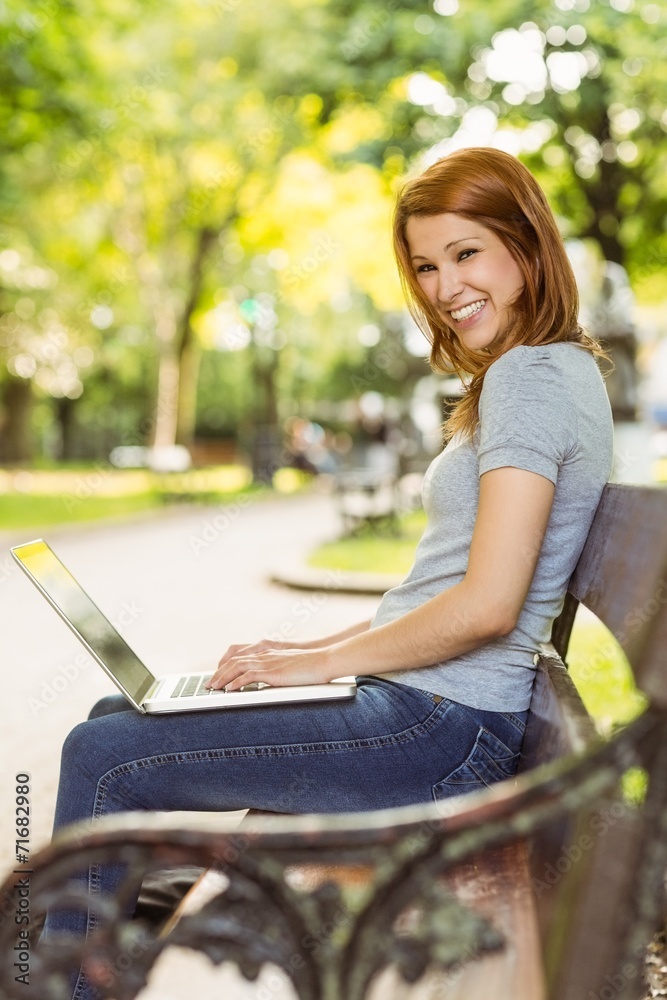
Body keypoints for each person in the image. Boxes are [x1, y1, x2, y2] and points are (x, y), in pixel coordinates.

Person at [43, 146, 613, 999]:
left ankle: (60, 986)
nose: (442, 286)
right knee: (111, 714)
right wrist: (314, 655)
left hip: (443, 733)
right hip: (442, 716)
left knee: (102, 756)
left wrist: (313, 666)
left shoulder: (529, 378)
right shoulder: (546, 370)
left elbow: (489, 605)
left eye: (466, 253)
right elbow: (442, 589)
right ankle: (116, 961)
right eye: (424, 264)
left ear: (526, 246)